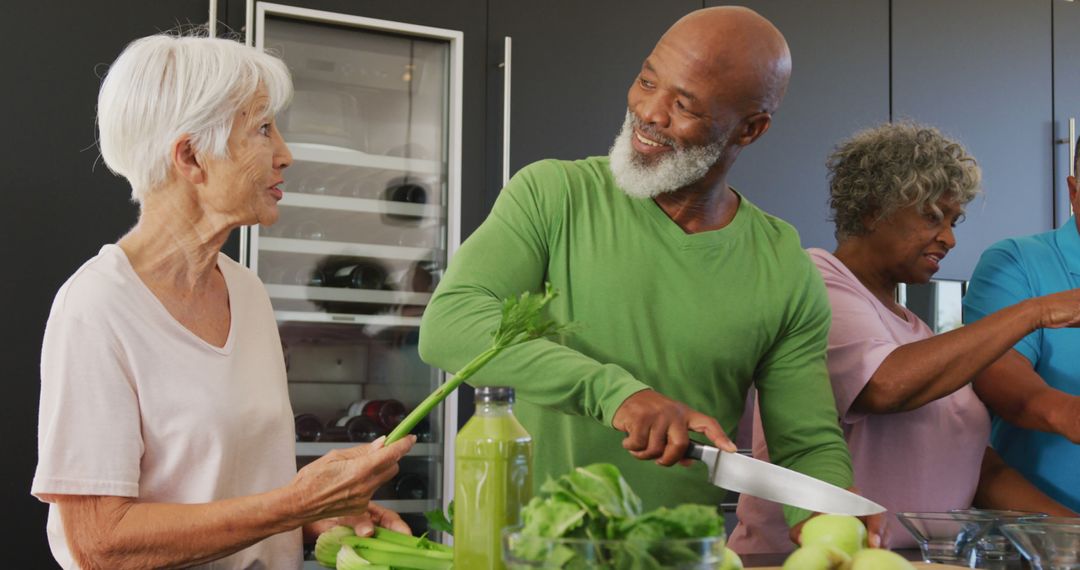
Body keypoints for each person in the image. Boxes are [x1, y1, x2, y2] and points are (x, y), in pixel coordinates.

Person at [419, 5, 862, 538]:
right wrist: (617, 395)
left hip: (676, 554)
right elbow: (450, 324)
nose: (650, 113)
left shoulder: (782, 261)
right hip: (527, 551)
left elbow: (806, 444)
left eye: (684, 105)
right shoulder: (553, 194)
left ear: (751, 129)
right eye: (647, 81)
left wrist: (834, 523)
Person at [30, 33, 415, 569]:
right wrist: (296, 502)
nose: (285, 153)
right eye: (262, 128)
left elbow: (228, 490)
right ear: (191, 156)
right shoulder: (96, 307)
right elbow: (101, 543)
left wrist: (315, 519)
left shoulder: (246, 291)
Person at [729, 122, 1078, 554]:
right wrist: (1036, 311)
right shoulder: (816, 280)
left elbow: (981, 471)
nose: (949, 238)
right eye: (932, 216)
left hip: (905, 560)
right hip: (802, 559)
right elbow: (883, 386)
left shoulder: (917, 330)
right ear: (874, 209)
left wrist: (1071, 532)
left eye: (954, 221)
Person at [961, 139, 1080, 514]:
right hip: (1040, 539)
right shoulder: (1017, 262)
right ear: (1074, 192)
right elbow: (998, 372)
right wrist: (1069, 415)